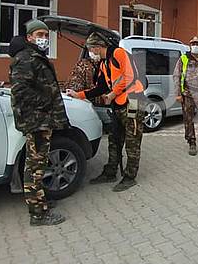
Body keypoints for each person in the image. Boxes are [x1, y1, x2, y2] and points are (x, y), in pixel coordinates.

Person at [8, 20, 68, 226]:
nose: (43, 38)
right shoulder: (26, 58)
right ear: (29, 37)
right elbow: (20, 91)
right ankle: (38, 214)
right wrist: (46, 102)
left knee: (37, 165)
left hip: (41, 119)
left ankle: (39, 202)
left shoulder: (35, 56)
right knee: (35, 168)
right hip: (37, 121)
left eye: (45, 34)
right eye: (39, 34)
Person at [67, 33, 145, 192]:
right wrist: (79, 95)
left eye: (91, 50)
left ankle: (130, 177)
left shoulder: (119, 53)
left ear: (97, 47)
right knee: (114, 139)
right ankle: (110, 172)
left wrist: (113, 94)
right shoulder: (104, 64)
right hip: (119, 104)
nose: (91, 53)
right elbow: (100, 88)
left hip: (134, 101)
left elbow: (130, 76)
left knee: (132, 140)